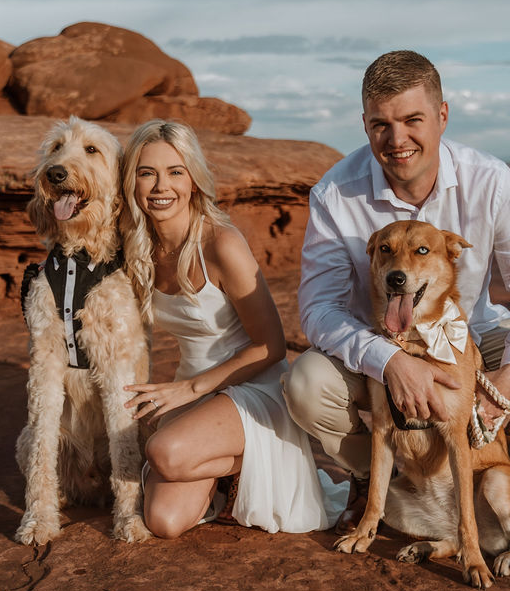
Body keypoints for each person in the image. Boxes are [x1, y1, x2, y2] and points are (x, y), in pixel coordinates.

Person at [281, 50, 510, 530]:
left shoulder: (489, 181)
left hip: (471, 336)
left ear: (442, 115)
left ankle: (480, 486)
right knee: (306, 386)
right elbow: (319, 308)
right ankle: (381, 481)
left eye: (413, 119)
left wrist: (504, 387)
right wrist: (390, 362)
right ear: (365, 125)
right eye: (380, 125)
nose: (396, 140)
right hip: (381, 338)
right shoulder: (335, 194)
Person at [121, 120, 344, 538]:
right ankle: (229, 475)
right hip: (196, 385)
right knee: (164, 523)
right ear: (131, 180)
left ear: (193, 179)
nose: (160, 186)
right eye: (146, 172)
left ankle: (267, 451)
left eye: (175, 171)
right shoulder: (136, 248)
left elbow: (273, 346)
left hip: (253, 387)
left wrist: (187, 392)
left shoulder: (221, 244)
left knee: (163, 451)